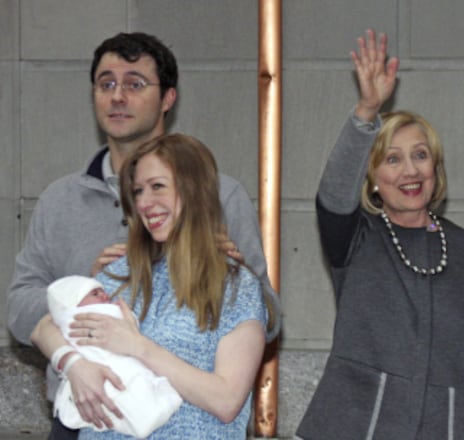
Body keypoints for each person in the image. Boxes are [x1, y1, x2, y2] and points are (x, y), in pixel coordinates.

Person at [5, 32, 280, 439]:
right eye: (106, 83)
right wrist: (85, 293)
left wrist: (216, 270)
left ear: (168, 98)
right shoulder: (60, 199)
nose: (118, 97)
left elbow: (263, 317)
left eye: (134, 84)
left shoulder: (225, 196)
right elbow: (21, 307)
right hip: (85, 412)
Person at [296, 29, 464, 439]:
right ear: (374, 179)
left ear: (436, 169)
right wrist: (367, 110)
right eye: (393, 159)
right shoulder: (355, 239)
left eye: (421, 156)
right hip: (357, 425)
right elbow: (332, 194)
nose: (411, 171)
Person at [32, 133, 269, 438]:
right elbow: (44, 327)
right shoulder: (119, 274)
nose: (144, 203)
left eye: (158, 187)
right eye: (138, 191)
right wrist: (73, 364)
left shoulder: (237, 288)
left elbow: (226, 401)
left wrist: (139, 347)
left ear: (194, 190)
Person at [47, 275, 182, 438]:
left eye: (103, 292)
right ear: (73, 302)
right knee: (123, 394)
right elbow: (42, 328)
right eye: (95, 294)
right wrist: (72, 362)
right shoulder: (76, 318)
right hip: (98, 375)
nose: (105, 296)